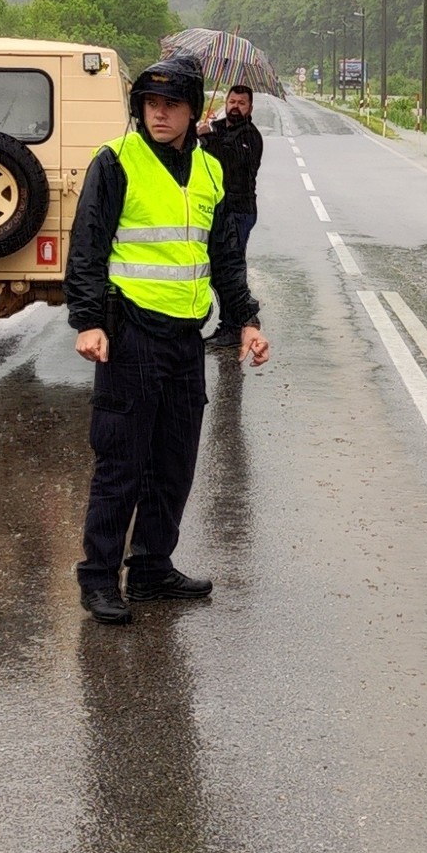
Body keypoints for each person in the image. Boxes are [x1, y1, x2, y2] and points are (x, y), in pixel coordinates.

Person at [67, 54, 269, 625]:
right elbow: (87, 246)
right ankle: (99, 578)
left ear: (192, 109)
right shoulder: (116, 161)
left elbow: (224, 255)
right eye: (151, 104)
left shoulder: (209, 170)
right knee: (121, 462)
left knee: (174, 461)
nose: (159, 113)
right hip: (130, 333)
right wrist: (88, 321)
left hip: (185, 338)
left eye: (172, 104)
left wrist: (246, 319)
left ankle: (152, 568)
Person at [195, 84, 265, 352]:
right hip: (216, 208)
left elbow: (231, 163)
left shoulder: (251, 136)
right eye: (232, 101)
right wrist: (198, 135)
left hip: (239, 210)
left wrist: (207, 140)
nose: (235, 107)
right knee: (216, 267)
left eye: (241, 103)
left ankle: (235, 326)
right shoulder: (215, 128)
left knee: (230, 268)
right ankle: (230, 321)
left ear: (250, 107)